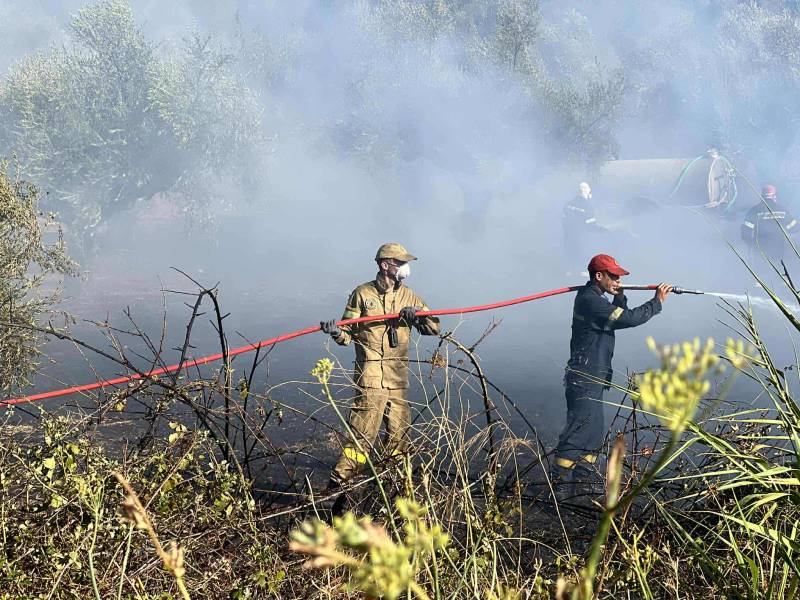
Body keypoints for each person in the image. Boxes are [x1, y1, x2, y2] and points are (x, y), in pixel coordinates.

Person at [320, 243, 440, 492]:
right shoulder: (362, 294)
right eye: (400, 262)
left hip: (398, 379)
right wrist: (335, 332)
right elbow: (347, 334)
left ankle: (390, 484)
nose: (405, 267)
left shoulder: (410, 296)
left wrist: (419, 315)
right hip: (370, 379)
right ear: (385, 265)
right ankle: (337, 486)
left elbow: (434, 328)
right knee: (362, 437)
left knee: (399, 436)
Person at [551, 254, 672, 490]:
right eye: (614, 276)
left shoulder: (597, 298)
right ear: (599, 276)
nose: (618, 280)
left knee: (593, 434)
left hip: (594, 376)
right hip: (584, 377)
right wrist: (656, 302)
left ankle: (582, 486)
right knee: (577, 432)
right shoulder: (590, 300)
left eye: (619, 277)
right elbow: (628, 319)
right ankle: (557, 487)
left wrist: (619, 296)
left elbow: (615, 317)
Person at [741, 184, 798, 263]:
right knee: (777, 268)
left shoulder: (754, 211)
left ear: (762, 196)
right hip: (778, 248)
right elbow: (793, 228)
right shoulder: (782, 210)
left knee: (761, 268)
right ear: (774, 196)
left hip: (760, 250)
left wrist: (751, 243)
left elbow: (745, 231)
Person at [563, 182, 608, 268]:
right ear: (587, 192)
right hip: (581, 239)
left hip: (568, 237)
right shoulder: (587, 206)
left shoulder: (568, 204)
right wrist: (604, 230)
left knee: (571, 259)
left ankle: (570, 270)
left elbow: (564, 221)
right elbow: (591, 226)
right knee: (581, 261)